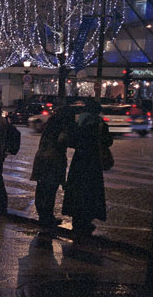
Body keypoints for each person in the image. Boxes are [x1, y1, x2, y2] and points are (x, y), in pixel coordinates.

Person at [63, 100, 112, 237]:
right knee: (91, 191)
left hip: (79, 161)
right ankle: (87, 219)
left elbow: (71, 141)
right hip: (93, 162)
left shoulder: (79, 124)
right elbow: (108, 142)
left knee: (77, 189)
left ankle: (76, 218)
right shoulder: (100, 125)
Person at [31, 105, 76, 226]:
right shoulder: (64, 126)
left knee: (41, 186)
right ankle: (48, 216)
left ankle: (42, 214)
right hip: (54, 158)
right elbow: (62, 140)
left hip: (41, 156)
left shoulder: (50, 124)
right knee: (51, 188)